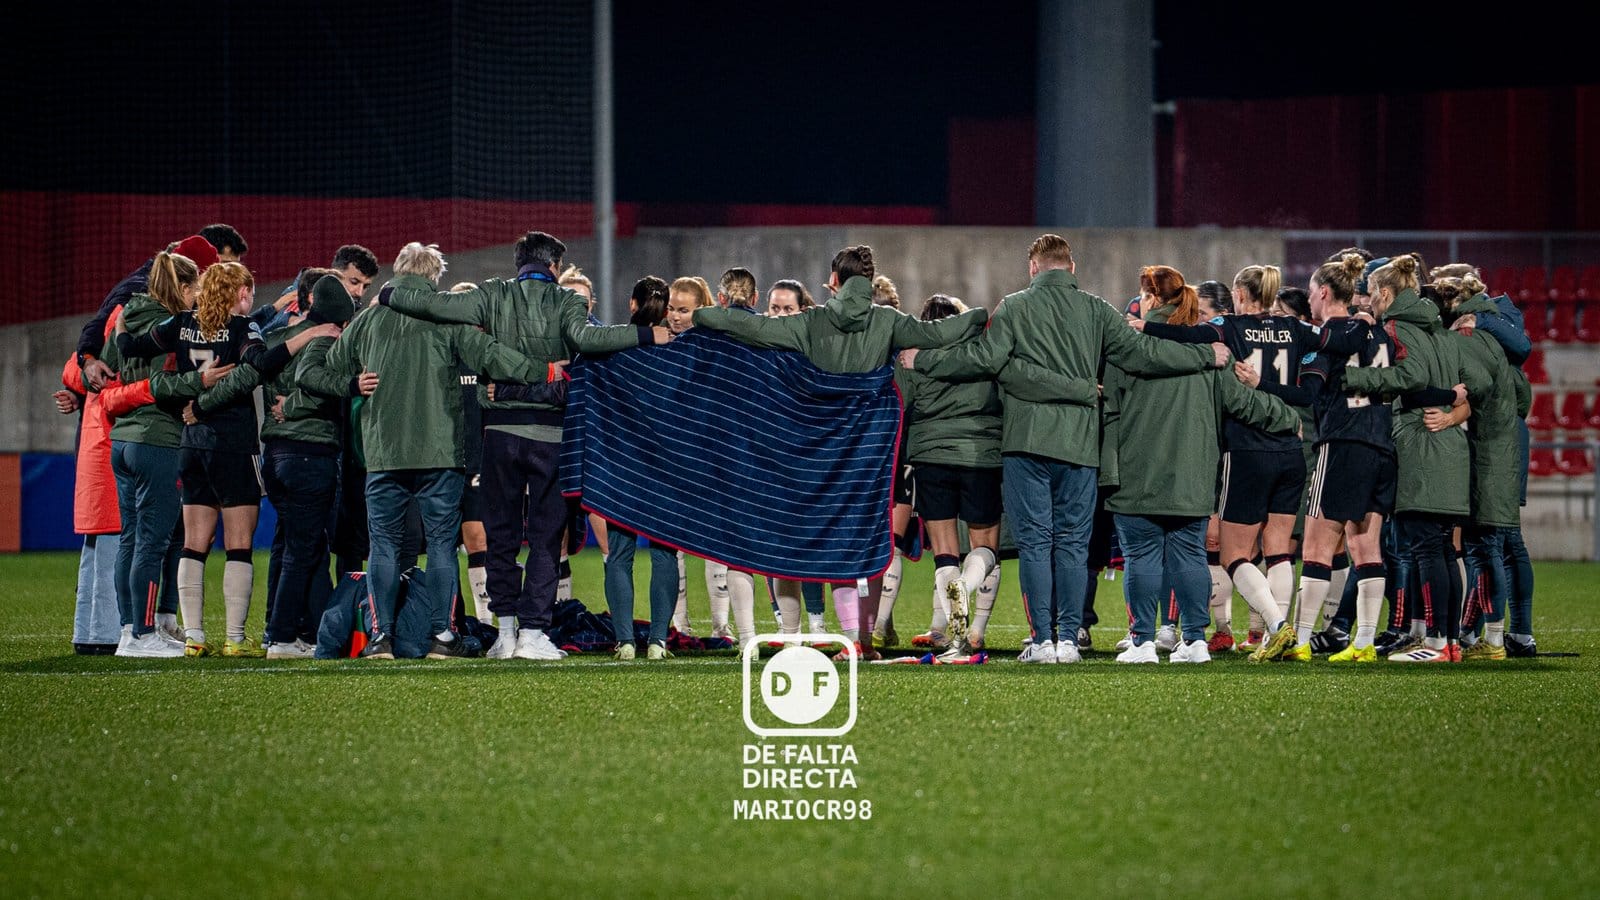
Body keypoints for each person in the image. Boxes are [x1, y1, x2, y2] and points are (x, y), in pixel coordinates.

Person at [901, 235, 1227, 663]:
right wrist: (1204, 357)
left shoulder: (1015, 306)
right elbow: (1144, 354)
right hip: (1079, 445)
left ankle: (1041, 643)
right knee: (1073, 544)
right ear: (1072, 269)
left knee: (1036, 544)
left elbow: (983, 358)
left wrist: (922, 360)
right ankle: (1070, 640)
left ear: (1033, 268)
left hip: (1026, 443)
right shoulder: (1097, 310)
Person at [377, 231, 668, 661]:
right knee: (547, 538)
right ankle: (533, 633)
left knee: (501, 537)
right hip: (551, 438)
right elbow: (588, 342)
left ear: (519, 264)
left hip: (499, 435)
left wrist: (389, 294)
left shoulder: (492, 294)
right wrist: (647, 336)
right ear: (552, 266)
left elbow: (435, 305)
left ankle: (506, 632)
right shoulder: (567, 302)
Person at [300, 242, 549, 659]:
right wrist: (542, 370)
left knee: (382, 546)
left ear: (399, 272)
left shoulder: (368, 320)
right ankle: (442, 636)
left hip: (383, 453)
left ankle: (381, 638)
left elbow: (311, 371)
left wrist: (347, 385)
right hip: (439, 453)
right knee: (439, 545)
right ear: (434, 277)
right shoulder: (446, 316)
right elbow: (491, 356)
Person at [1130, 263, 1366, 662]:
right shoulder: (1295, 329)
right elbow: (1336, 340)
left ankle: (1276, 626)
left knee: (1233, 555)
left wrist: (1145, 328)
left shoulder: (1231, 327)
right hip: (1291, 452)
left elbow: (1188, 334)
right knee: (1278, 550)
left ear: (1240, 295)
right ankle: (1283, 637)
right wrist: (1366, 323)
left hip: (1247, 450)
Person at [116, 261, 338, 657]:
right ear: (240, 293)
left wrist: (118, 328)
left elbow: (132, 347)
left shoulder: (181, 323)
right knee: (238, 544)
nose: (251, 299)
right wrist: (309, 335)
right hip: (233, 443)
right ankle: (235, 639)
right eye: (249, 292)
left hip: (191, 443)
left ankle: (196, 638)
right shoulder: (241, 327)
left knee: (194, 544)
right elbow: (259, 364)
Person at [1097, 269, 1301, 664]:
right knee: (1190, 555)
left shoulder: (1127, 345)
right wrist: (1287, 417)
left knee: (1141, 556)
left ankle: (1141, 642)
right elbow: (1243, 402)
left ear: (1150, 300)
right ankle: (1194, 641)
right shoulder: (1211, 350)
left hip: (1138, 471)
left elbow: (1111, 409)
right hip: (1194, 473)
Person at [1342, 256, 1491, 663]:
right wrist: (1456, 405)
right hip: (1451, 450)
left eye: (1373, 294)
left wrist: (1352, 379)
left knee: (1426, 549)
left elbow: (1411, 378)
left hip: (1419, 448)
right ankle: (1454, 643)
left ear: (1386, 293)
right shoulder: (1443, 329)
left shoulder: (1397, 327)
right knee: (1443, 549)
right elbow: (1479, 382)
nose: (1370, 302)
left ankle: (1436, 643)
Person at [103, 246, 233, 658]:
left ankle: (132, 629)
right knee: (152, 543)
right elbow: (163, 384)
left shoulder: (126, 316)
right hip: (156, 439)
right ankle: (142, 636)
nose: (198, 297)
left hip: (123, 439)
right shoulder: (170, 326)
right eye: (195, 289)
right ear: (181, 286)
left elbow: (105, 372)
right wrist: (201, 380)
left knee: (131, 539)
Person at [896, 294, 1009, 658]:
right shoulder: (980, 349)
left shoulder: (913, 355)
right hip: (981, 455)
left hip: (931, 456)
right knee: (986, 547)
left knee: (945, 552)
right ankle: (974, 626)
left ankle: (957, 638)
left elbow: (903, 403)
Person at [256, 275, 355, 658]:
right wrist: (349, 384)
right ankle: (281, 637)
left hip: (276, 454)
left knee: (302, 547)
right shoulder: (329, 339)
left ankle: (312, 633)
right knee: (302, 550)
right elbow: (313, 380)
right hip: (310, 454)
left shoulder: (277, 338)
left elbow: (254, 366)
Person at [602, 277, 680, 660]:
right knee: (665, 554)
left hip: (621, 463)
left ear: (632, 305)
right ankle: (659, 641)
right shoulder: (680, 351)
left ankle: (625, 641)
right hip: (666, 465)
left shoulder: (612, 349)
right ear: (666, 310)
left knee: (619, 555)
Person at [77, 226, 247, 392]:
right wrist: (87, 360)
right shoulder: (139, 294)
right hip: (134, 413)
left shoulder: (176, 307)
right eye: (225, 266)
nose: (228, 276)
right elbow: (101, 328)